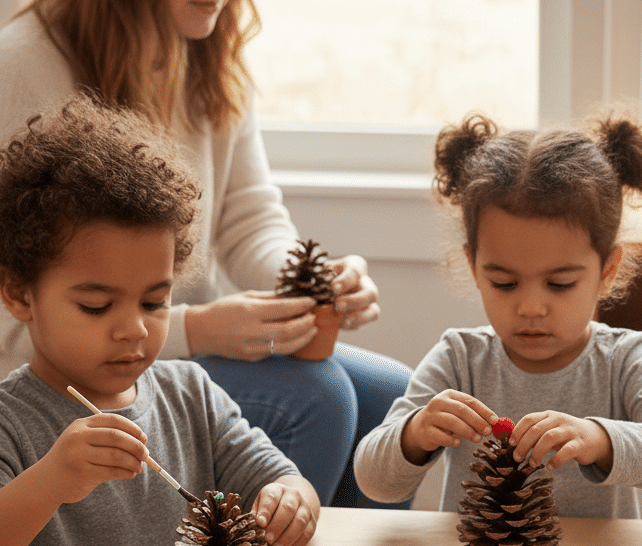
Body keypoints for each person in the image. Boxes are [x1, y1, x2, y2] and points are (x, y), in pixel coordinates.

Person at [0, 0, 412, 509]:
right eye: (95, 303)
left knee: (391, 395)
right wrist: (194, 328)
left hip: (170, 340)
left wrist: (311, 280)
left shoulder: (209, 50)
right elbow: (12, 315)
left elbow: (248, 217)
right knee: (317, 397)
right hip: (71, 362)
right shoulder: (22, 64)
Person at [0, 97, 320, 546]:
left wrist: (291, 500)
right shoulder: (10, 422)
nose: (135, 329)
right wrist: (51, 480)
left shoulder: (189, 393)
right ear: (18, 294)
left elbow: (279, 477)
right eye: (97, 306)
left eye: (154, 302)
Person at [354, 113, 642, 518]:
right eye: (504, 283)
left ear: (607, 271)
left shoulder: (625, 360)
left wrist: (599, 439)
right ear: (474, 267)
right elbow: (373, 482)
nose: (530, 308)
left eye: (560, 284)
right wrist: (414, 434)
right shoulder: (460, 359)